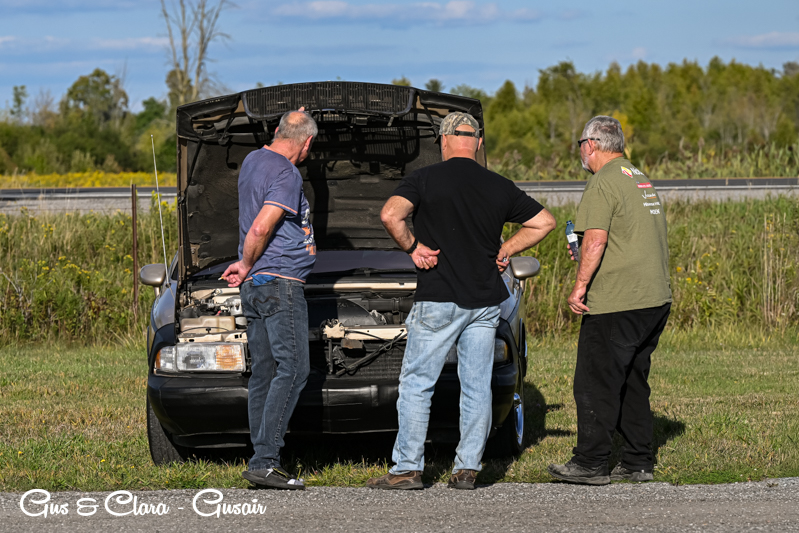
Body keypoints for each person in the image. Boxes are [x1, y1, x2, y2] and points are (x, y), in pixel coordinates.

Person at [367, 112, 557, 490]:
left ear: (443, 140)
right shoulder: (499, 185)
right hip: (485, 301)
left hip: (438, 297)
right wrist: (507, 248)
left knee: (418, 384)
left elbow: (390, 215)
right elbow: (545, 222)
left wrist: (414, 248)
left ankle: (407, 469)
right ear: (479, 143)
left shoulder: (424, 179)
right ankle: (467, 468)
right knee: (476, 386)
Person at [548, 115, 672, 485]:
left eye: (580, 145)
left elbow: (597, 239)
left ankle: (590, 462)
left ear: (592, 144)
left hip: (619, 299)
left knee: (595, 381)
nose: (580, 152)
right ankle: (637, 461)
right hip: (653, 297)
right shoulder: (637, 177)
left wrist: (579, 286)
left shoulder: (602, 181)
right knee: (632, 381)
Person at [222, 109, 318, 490]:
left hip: (256, 286)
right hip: (279, 282)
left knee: (263, 370)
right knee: (294, 368)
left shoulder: (252, 160)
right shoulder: (286, 173)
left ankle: (260, 457)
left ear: (277, 130)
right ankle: (265, 460)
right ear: (307, 143)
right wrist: (246, 262)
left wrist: (248, 268)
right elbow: (262, 226)